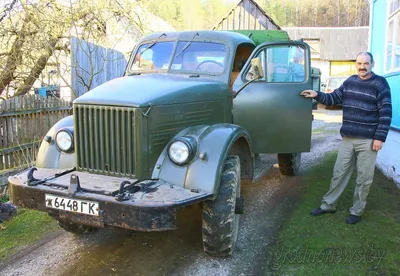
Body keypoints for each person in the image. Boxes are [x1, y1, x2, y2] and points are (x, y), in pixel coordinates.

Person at [300, 52, 392, 224]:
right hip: (347, 139)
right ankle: (328, 205)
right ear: (355, 64)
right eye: (359, 63)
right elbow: (333, 97)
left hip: (369, 140)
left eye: (366, 63)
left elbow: (386, 112)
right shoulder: (350, 82)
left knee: (364, 178)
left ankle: (356, 211)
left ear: (373, 63)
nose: (362, 66)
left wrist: (380, 137)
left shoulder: (380, 84)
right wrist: (317, 94)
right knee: (338, 173)